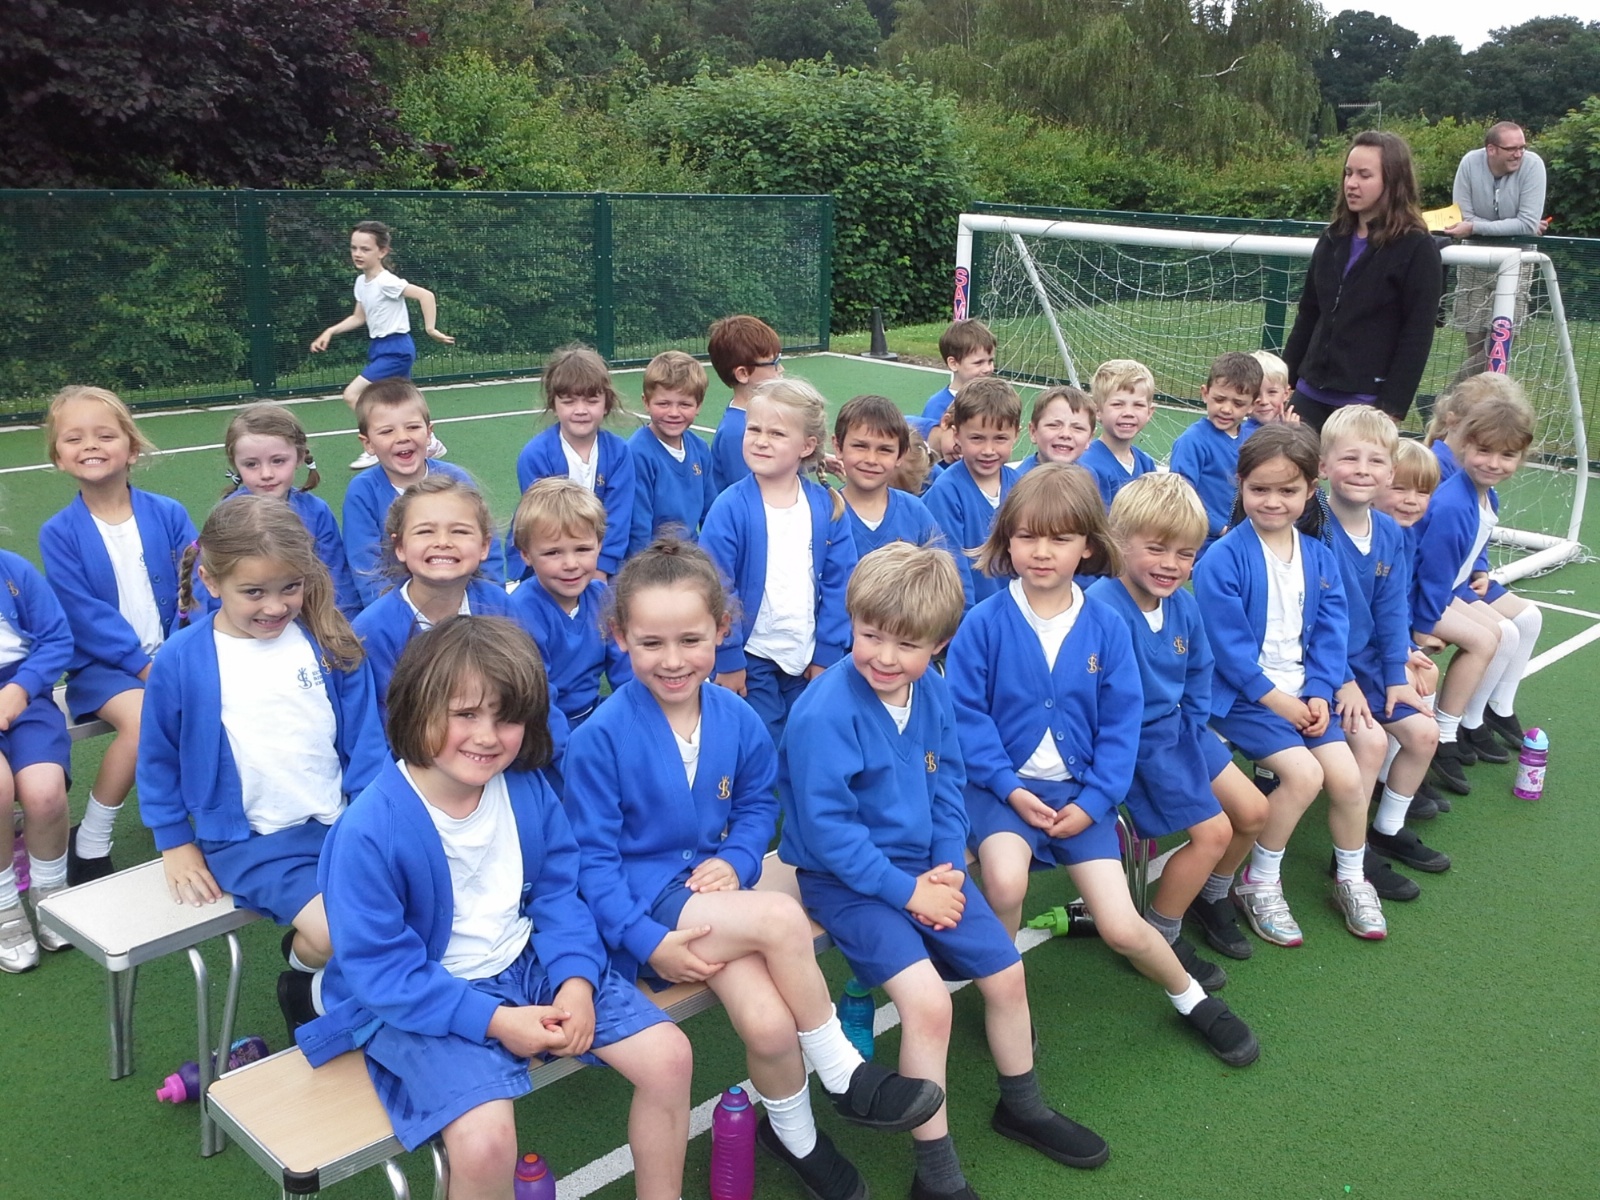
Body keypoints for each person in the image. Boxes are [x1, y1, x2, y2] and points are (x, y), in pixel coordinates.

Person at [566, 536, 945, 1200]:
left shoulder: (736, 717)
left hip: (710, 902)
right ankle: (843, 1071)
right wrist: (648, 941)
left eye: (691, 639)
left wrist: (738, 860)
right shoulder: (599, 737)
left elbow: (755, 806)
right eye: (651, 643)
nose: (673, 660)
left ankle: (795, 1139)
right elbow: (592, 865)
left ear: (722, 630)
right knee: (780, 915)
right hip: (642, 913)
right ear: (620, 637)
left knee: (769, 1024)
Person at [295, 616, 693, 1200]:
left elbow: (559, 895)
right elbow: (385, 973)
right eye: (465, 714)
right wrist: (497, 1022)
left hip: (528, 961)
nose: (487, 736)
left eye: (506, 718)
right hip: (425, 994)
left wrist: (577, 981)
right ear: (416, 709)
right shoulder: (369, 831)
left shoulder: (527, 788)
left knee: (670, 1058)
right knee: (485, 1142)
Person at [780, 541, 1112, 1200]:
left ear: (939, 645)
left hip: (922, 871)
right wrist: (910, 892)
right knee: (929, 1005)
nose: (883, 656)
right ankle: (935, 1175)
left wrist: (943, 866)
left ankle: (1022, 1107)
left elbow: (947, 782)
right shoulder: (823, 712)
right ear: (852, 620)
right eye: (870, 634)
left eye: (906, 644)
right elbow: (829, 834)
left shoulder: (931, 690)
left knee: (1008, 972)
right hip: (845, 882)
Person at [948, 466, 1258, 1066]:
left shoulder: (1106, 626)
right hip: (1001, 793)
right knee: (1006, 882)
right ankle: (1004, 998)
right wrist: (1009, 788)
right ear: (1006, 539)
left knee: (1120, 926)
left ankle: (1191, 999)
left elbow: (1120, 727)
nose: (1043, 552)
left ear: (1089, 545)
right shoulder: (982, 623)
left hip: (1080, 796)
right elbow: (966, 719)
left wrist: (1093, 801)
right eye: (1028, 536)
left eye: (1060, 538)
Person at [143, 496, 386, 1033]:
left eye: (290, 588)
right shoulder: (183, 658)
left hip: (341, 827)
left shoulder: (328, 641)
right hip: (252, 842)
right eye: (253, 592)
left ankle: (323, 976)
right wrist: (174, 841)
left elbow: (366, 743)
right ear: (211, 581)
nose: (274, 607)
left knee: (402, 915)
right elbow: (158, 757)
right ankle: (305, 978)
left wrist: (373, 818)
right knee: (341, 935)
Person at [1193, 424, 1388, 945]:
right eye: (1260, 488)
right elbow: (1228, 650)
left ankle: (1352, 877)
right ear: (1240, 485)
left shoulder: (1318, 556)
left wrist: (1321, 691)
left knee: (1348, 779)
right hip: (1245, 700)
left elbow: (1330, 632)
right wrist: (1278, 700)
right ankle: (1259, 881)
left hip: (1303, 696)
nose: (1273, 501)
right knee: (1304, 777)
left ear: (1310, 489)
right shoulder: (1222, 559)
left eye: (1287, 490)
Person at [1088, 473, 1270, 967]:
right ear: (1119, 541)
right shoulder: (1101, 609)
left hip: (1179, 730)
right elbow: (1090, 699)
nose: (1171, 564)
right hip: (1134, 744)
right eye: (1157, 548)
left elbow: (1199, 671)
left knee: (1254, 812)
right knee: (1214, 833)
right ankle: (1160, 934)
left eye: (1185, 554)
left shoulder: (1183, 606)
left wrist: (1193, 724)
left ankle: (1210, 895)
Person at [39, 386, 197, 884]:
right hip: (104, 670)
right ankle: (90, 840)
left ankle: (205, 811)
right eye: (74, 438)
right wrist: (148, 668)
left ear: (131, 447)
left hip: (174, 653)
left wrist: (182, 653)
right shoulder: (58, 532)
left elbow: (197, 585)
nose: (90, 445)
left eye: (105, 435)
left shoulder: (168, 513)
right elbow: (85, 617)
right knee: (147, 716)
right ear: (58, 456)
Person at [1318, 407, 1449, 899]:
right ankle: (1348, 854)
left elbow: (1393, 610)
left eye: (1375, 461)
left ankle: (1386, 828)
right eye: (1349, 458)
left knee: (1424, 733)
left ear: (1390, 471)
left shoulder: (1391, 533)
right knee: (1370, 742)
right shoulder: (1312, 527)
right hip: (1323, 667)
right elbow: (1309, 622)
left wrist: (1396, 671)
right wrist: (1340, 680)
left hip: (1368, 664)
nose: (1362, 470)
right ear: (1323, 465)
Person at [700, 377, 858, 747]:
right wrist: (728, 657)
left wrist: (827, 653)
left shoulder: (827, 507)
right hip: (751, 656)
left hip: (807, 655)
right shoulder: (730, 507)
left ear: (807, 446)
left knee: (809, 740)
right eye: (754, 429)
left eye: (776, 433)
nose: (761, 440)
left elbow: (841, 585)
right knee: (762, 742)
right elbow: (714, 586)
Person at [1410, 389, 1542, 793]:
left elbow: (1468, 553)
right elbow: (1431, 576)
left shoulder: (1487, 495)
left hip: (1444, 592)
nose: (1493, 463)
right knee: (1485, 640)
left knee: (1503, 633)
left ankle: (1464, 723)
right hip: (1420, 599)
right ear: (1464, 445)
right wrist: (1420, 630)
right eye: (1484, 450)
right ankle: (1444, 734)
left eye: (1507, 455)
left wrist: (1480, 569)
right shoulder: (1454, 503)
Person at [1284, 131, 1443, 431]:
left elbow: (1417, 334)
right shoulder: (1333, 237)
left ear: (1393, 180)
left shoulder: (1416, 247)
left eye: (1364, 175)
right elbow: (1308, 314)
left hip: (1366, 403)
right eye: (1348, 173)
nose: (1351, 183)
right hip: (1308, 394)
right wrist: (1285, 381)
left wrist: (1392, 407)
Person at [352, 475, 510, 728]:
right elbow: (375, 724)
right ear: (399, 547)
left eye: (459, 531)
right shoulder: (373, 630)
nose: (443, 542)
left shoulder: (500, 607)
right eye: (425, 531)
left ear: (484, 546)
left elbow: (528, 691)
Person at [341, 379, 505, 608]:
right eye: (387, 431)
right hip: (399, 611)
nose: (402, 437)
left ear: (429, 433)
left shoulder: (456, 479)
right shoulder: (363, 492)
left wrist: (490, 605)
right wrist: (398, 615)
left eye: (413, 427)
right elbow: (367, 570)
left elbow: (487, 547)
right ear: (368, 443)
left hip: (464, 603)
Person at [309, 220, 453, 470]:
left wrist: (430, 329)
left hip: (396, 349)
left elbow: (425, 295)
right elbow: (359, 317)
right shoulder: (361, 283)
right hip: (380, 348)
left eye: (365, 249)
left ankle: (376, 447)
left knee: (353, 395)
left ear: (382, 251)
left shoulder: (386, 281)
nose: (357, 254)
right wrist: (330, 331)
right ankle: (430, 442)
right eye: (354, 248)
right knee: (405, 401)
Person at [0, 549, 75, 973]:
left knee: (45, 793)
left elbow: (56, 638)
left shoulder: (13, 569)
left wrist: (23, 687)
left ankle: (50, 890)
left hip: (23, 693)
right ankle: (4, 905)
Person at [214, 404, 361, 618]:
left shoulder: (316, 511)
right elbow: (213, 588)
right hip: (248, 624)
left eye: (278, 461)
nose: (266, 473)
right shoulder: (226, 518)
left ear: (299, 457)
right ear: (236, 464)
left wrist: (342, 627)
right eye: (251, 464)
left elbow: (338, 581)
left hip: (313, 622)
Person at [507, 480, 631, 731]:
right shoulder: (523, 612)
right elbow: (537, 698)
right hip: (542, 727)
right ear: (526, 554)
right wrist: (572, 747)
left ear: (599, 545)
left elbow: (625, 667)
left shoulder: (601, 596)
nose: (571, 564)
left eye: (582, 549)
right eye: (553, 553)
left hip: (591, 713)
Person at [515, 344, 636, 581]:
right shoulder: (536, 455)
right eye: (569, 401)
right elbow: (540, 525)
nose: (580, 410)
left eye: (591, 401)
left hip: (603, 566)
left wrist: (599, 573)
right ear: (554, 404)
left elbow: (618, 518)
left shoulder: (619, 453)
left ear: (606, 404)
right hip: (550, 566)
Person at [1445, 121, 1550, 381]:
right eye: (1512, 149)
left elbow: (1526, 223)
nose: (1519, 154)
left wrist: (1475, 227)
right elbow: (1462, 216)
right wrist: (1508, 225)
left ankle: (1449, 394)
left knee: (1498, 348)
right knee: (1475, 344)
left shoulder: (1533, 166)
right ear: (1491, 149)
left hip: (1517, 262)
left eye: (1522, 147)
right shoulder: (1469, 163)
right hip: (1474, 260)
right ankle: (1475, 402)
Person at [923, 376, 1024, 610]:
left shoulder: (1020, 486)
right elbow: (952, 572)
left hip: (1012, 611)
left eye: (1000, 438)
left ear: (1016, 435)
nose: (988, 450)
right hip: (966, 618)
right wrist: (970, 622)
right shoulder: (947, 492)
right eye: (977, 438)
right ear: (957, 435)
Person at [831, 394, 948, 559]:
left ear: (900, 455)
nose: (871, 460)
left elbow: (941, 570)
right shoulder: (824, 513)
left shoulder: (915, 512)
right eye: (860, 446)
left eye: (884, 450)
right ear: (838, 447)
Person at [1170, 352, 1262, 559]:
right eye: (1219, 399)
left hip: (1244, 537)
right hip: (1204, 543)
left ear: (1252, 405)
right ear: (1205, 393)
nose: (1226, 409)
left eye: (1238, 403)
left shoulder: (1253, 439)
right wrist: (1219, 527)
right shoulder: (1192, 441)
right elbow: (1181, 495)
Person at [627, 350, 717, 556]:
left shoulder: (700, 448)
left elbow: (711, 514)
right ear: (646, 402)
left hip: (691, 554)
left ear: (698, 406)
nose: (674, 413)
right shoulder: (637, 453)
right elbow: (638, 528)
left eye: (684, 404)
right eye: (663, 404)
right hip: (655, 556)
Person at [707, 315, 785, 494]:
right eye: (774, 363)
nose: (781, 369)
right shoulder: (736, 432)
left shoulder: (757, 416)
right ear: (743, 374)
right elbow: (750, 493)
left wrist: (810, 462)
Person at [1077, 359, 1157, 510]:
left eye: (1138, 405)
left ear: (1149, 412)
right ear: (1097, 410)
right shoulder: (1087, 465)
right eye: (1117, 404)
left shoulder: (1146, 463)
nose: (1128, 413)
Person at [919, 319, 998, 424]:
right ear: (953, 364)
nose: (987, 369)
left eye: (990, 361)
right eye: (978, 363)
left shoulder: (995, 399)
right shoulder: (938, 407)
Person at [1015, 386, 1095, 473]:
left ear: (1089, 439)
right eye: (1053, 425)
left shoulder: (1089, 475)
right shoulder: (1019, 479)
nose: (1065, 434)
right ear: (1033, 432)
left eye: (1078, 428)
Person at [1240, 351, 1296, 440]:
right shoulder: (1242, 435)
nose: (1264, 401)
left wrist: (1296, 434)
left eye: (1272, 392)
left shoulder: (1296, 426)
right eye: (1256, 393)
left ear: (1286, 393)